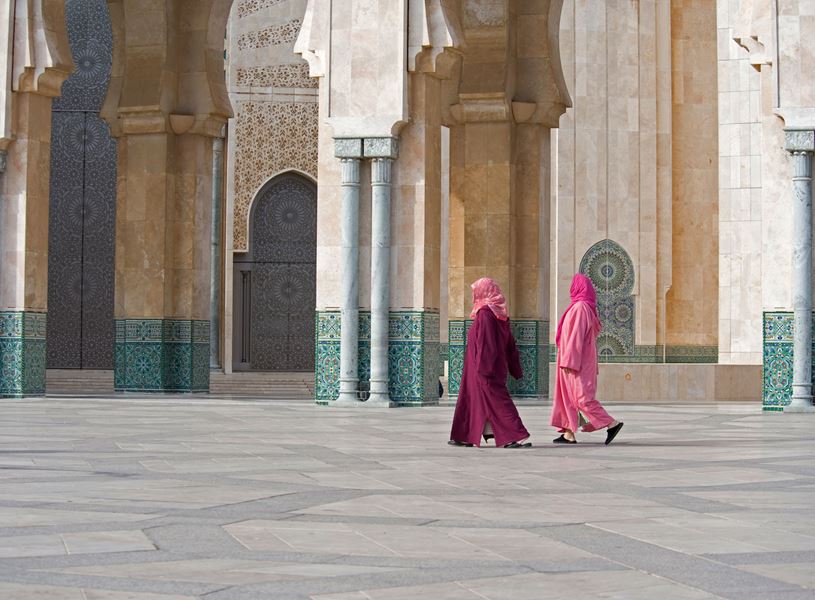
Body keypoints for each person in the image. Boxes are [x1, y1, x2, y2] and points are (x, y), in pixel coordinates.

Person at [449, 278, 531, 448]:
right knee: (472, 400)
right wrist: (514, 368)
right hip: (486, 366)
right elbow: (510, 345)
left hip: (483, 367)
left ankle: (514, 435)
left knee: (497, 400)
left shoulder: (486, 314)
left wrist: (483, 370)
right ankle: (464, 435)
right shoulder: (499, 313)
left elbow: (486, 344)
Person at [550, 273, 624, 445]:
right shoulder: (581, 307)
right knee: (567, 397)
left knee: (582, 398)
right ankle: (568, 433)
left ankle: (611, 423)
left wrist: (569, 361)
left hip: (576, 361)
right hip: (573, 359)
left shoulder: (581, 308)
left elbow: (575, 336)